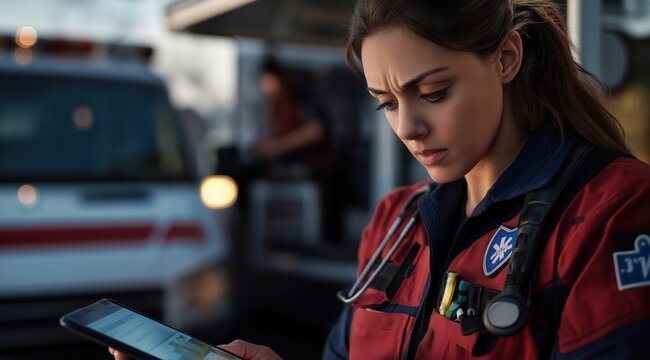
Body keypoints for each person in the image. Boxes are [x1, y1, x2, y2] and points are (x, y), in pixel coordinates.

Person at [111, 0, 650, 359]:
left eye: (435, 92)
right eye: (386, 104)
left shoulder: (612, 212)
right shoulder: (397, 220)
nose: (409, 128)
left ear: (507, 57)